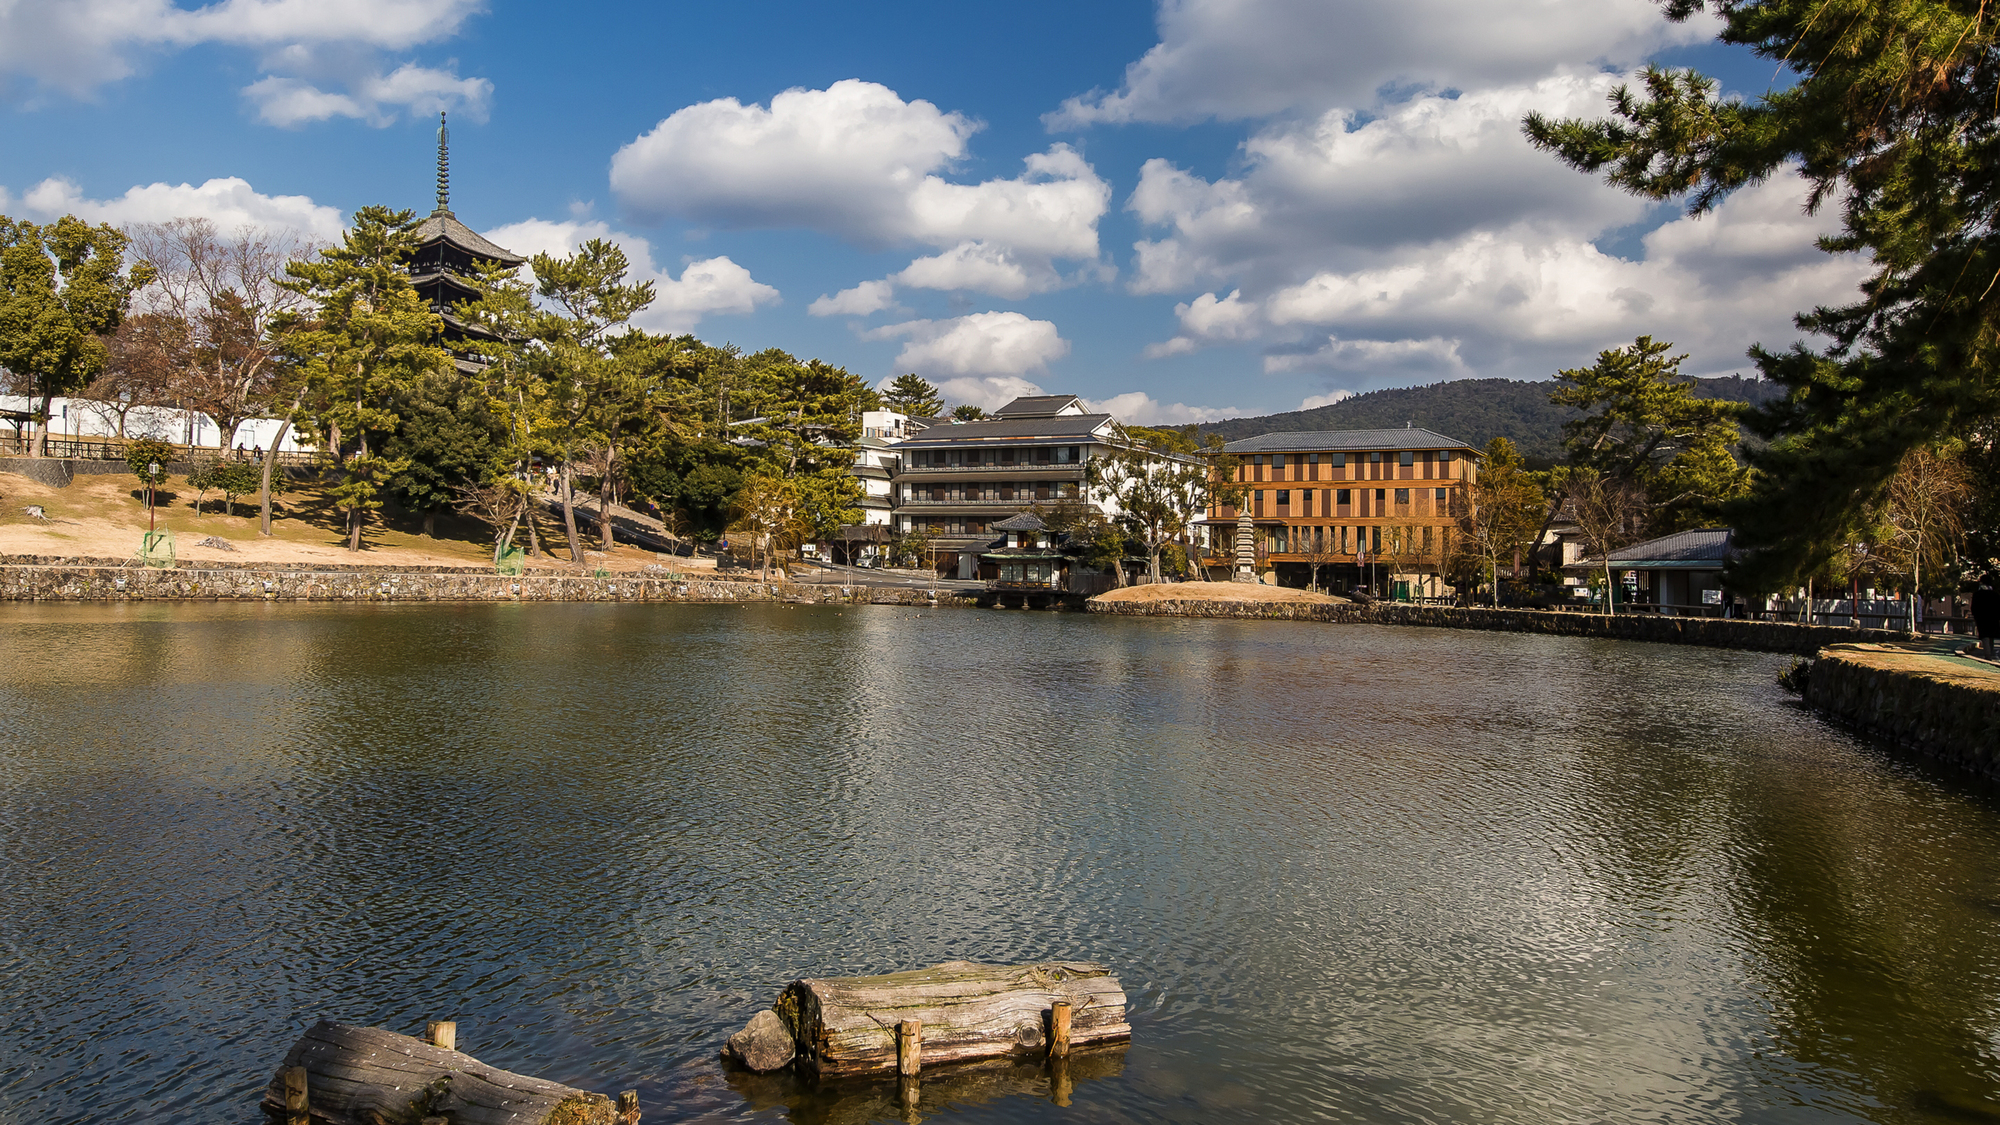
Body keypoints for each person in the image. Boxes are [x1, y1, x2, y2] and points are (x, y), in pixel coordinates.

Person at [1972, 563, 1999, 660]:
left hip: (1981, 618)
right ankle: (1990, 653)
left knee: (1985, 636)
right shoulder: (1995, 594)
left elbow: (1974, 607)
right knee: (1991, 636)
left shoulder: (1977, 594)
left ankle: (1988, 655)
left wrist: (1975, 616)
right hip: (1993, 618)